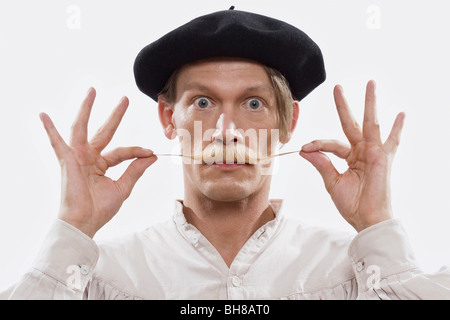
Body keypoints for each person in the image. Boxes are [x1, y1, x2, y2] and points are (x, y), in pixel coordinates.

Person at [5, 8, 450, 300]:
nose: (226, 131)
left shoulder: (356, 274)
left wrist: (377, 224)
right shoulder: (99, 277)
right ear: (167, 118)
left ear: (288, 122)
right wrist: (73, 229)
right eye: (203, 102)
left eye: (253, 104)